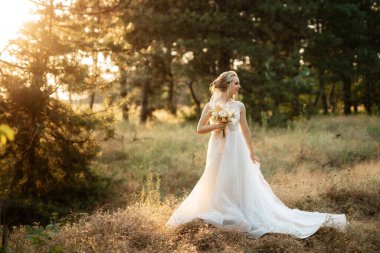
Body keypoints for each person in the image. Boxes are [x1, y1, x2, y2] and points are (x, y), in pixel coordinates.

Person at [166, 70, 348, 238]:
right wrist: (216, 125)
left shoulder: (239, 106)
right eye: (236, 83)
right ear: (228, 84)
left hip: (237, 147)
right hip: (218, 147)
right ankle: (220, 209)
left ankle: (240, 209)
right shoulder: (211, 105)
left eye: (239, 83)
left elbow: (245, 131)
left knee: (238, 178)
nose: (239, 86)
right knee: (216, 178)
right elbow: (199, 128)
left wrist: (251, 153)